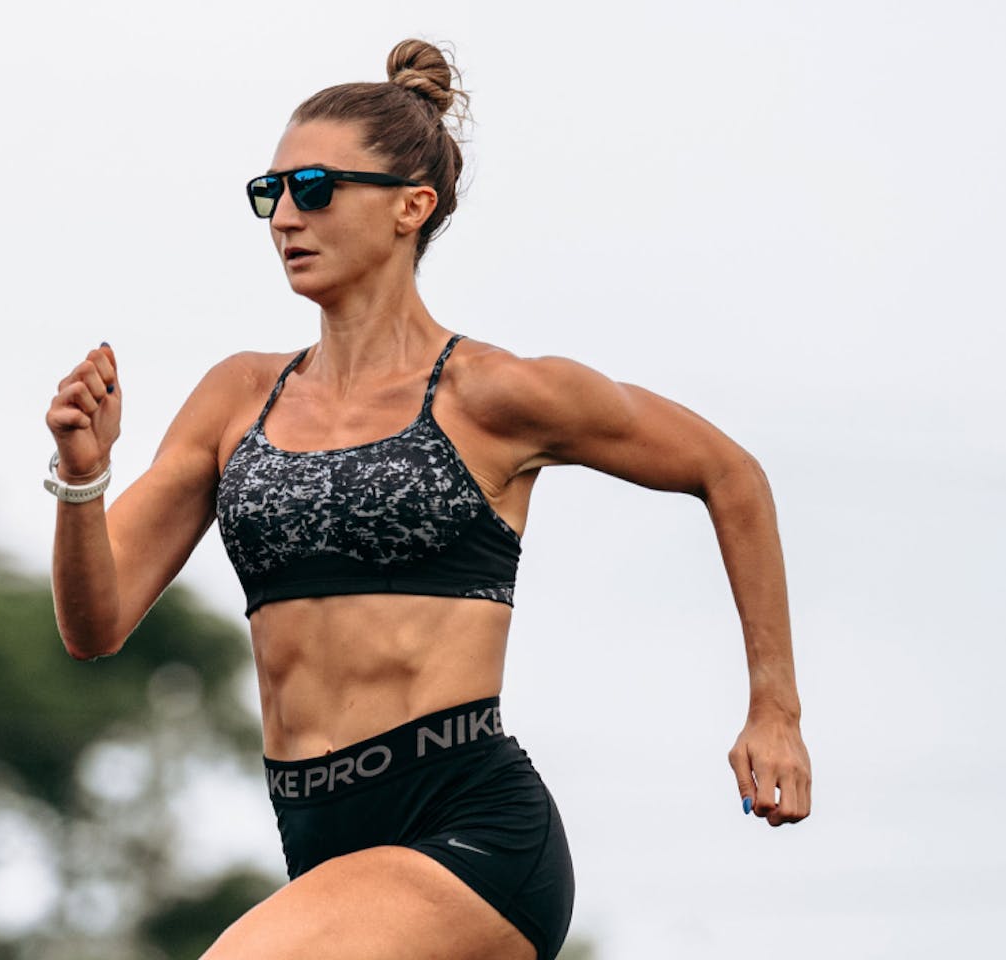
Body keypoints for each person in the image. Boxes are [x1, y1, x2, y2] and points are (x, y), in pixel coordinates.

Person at [44, 38, 811, 960]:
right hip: (318, 845)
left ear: (412, 206)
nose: (285, 214)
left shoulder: (493, 394)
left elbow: (728, 474)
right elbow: (95, 623)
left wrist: (775, 711)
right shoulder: (237, 397)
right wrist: (82, 481)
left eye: (316, 188)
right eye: (270, 192)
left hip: (468, 831)